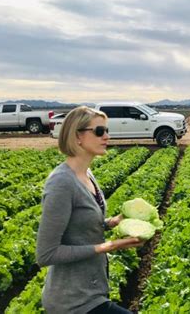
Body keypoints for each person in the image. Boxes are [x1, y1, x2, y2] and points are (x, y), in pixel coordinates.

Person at [36, 106, 144, 314]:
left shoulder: (87, 175)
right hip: (72, 302)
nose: (107, 136)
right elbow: (46, 254)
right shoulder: (61, 183)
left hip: (92, 290)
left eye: (107, 130)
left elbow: (79, 227)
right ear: (78, 136)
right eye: (99, 131)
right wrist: (107, 247)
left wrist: (113, 222)